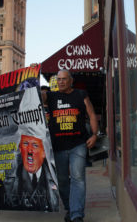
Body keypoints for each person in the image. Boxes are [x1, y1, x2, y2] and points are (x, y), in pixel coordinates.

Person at [41, 69, 98, 222]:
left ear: (71, 80)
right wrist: (33, 78)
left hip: (78, 144)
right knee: (62, 181)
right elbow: (39, 97)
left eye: (64, 79)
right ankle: (69, 208)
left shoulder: (80, 94)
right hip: (58, 146)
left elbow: (91, 114)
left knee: (78, 178)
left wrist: (94, 134)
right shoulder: (51, 96)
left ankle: (76, 214)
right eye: (58, 79)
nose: (61, 82)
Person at [0, 134, 58, 211]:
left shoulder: (55, 176)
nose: (29, 150)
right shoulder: (6, 179)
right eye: (25, 144)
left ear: (44, 152)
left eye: (35, 145)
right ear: (20, 149)